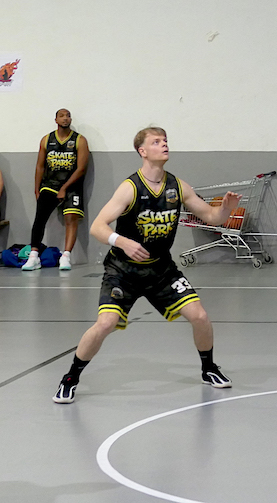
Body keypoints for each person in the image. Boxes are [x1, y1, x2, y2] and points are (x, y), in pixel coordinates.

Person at [52, 127, 239, 404]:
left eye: (165, 140)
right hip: (123, 270)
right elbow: (97, 227)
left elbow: (212, 217)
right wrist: (122, 242)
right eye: (156, 142)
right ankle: (70, 378)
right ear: (143, 151)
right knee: (105, 323)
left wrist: (225, 209)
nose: (164, 145)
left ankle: (209, 368)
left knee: (200, 316)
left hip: (161, 270)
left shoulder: (178, 186)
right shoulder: (130, 187)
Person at [23, 109, 90, 271]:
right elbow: (40, 166)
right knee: (40, 218)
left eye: (68, 116)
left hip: (72, 185)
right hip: (50, 184)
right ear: (56, 120)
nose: (65, 118)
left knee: (71, 218)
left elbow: (81, 168)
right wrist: (36, 189)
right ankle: (33, 256)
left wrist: (64, 188)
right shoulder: (47, 140)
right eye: (62, 116)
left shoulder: (79, 140)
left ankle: (66, 256)